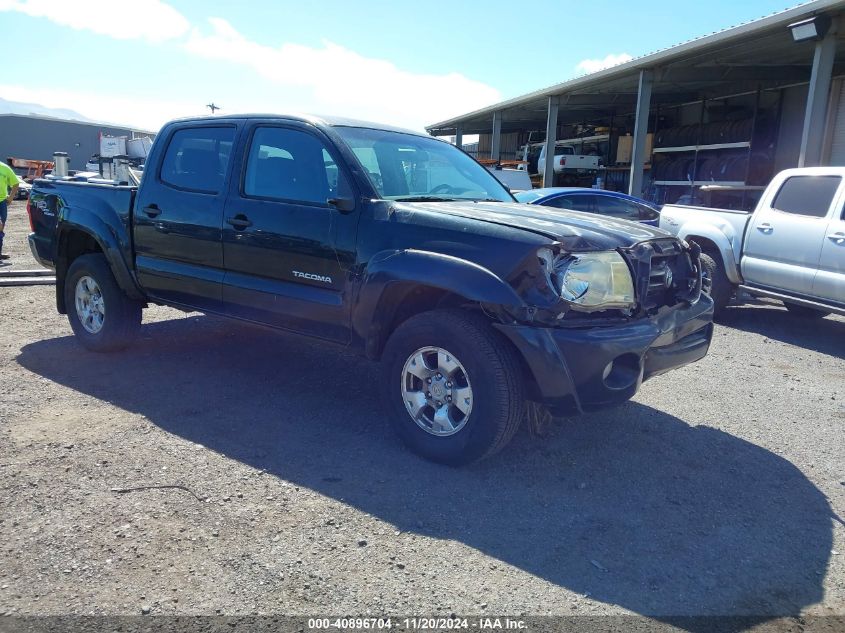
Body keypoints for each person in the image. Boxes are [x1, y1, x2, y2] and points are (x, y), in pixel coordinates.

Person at [0, 161, 19, 260]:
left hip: (1, 202)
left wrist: (11, 197)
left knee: (1, 227)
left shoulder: (4, 168)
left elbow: (15, 183)